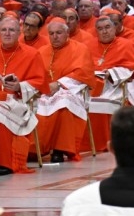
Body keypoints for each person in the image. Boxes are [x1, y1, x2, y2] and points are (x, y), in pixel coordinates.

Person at [0, 16, 50, 175]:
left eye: (12, 30)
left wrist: (20, 86)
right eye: (4, 30)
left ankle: (4, 162)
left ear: (19, 32)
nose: (7, 33)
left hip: (18, 101)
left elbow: (40, 82)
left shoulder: (32, 54)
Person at [31, 19, 97, 163]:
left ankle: (59, 149)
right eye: (51, 33)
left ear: (67, 33)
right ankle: (35, 148)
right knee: (30, 103)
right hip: (44, 91)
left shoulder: (80, 49)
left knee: (63, 101)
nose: (55, 36)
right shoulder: (42, 51)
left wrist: (60, 84)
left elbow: (82, 73)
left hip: (72, 90)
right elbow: (34, 73)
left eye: (59, 33)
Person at [82, 16, 134, 153]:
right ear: (96, 31)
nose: (104, 32)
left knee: (100, 103)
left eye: (107, 28)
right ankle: (87, 143)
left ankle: (105, 142)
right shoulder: (89, 45)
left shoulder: (126, 44)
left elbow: (132, 68)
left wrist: (111, 73)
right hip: (92, 86)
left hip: (115, 86)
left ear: (115, 28)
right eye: (100, 29)